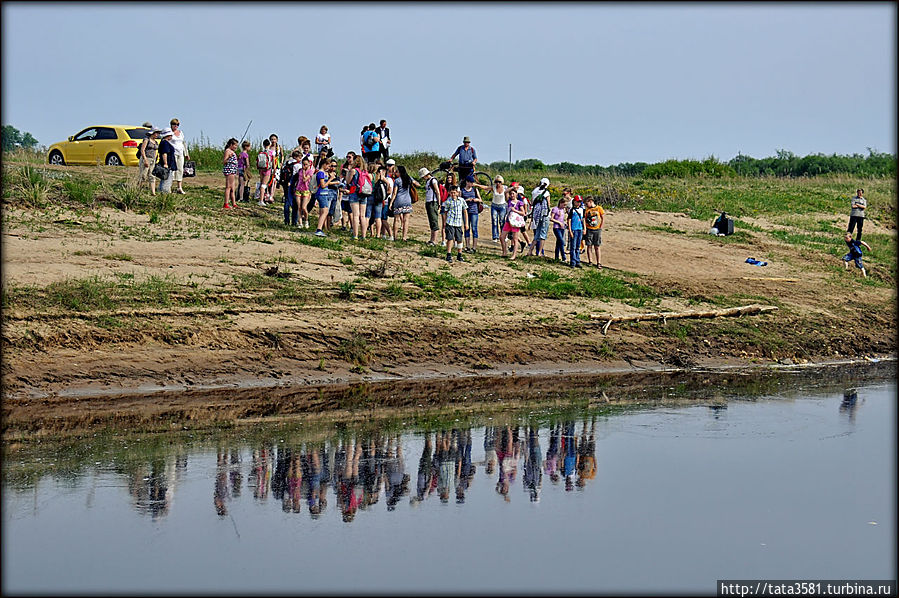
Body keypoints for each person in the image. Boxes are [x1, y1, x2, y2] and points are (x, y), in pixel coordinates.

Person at [390, 165, 417, 241]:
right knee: (406, 220)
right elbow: (417, 184)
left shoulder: (397, 181)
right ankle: (404, 237)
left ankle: (395, 237)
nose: (395, 172)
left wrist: (391, 203)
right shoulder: (408, 178)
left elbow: (394, 193)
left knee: (396, 220)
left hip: (398, 201)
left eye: (397, 171)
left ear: (400, 173)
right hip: (407, 201)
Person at [314, 159, 340, 237]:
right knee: (325, 211)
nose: (329, 167)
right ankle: (319, 229)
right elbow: (323, 185)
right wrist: (331, 179)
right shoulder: (321, 173)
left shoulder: (322, 173)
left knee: (323, 212)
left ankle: (319, 228)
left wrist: (333, 181)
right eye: (328, 165)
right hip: (322, 194)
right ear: (324, 164)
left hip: (324, 193)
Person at [443, 184, 468, 263]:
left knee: (459, 239)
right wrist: (445, 222)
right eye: (451, 193)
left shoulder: (461, 201)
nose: (453, 194)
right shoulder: (448, 201)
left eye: (454, 192)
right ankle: (449, 254)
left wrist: (466, 223)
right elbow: (446, 212)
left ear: (457, 193)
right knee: (450, 238)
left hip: (458, 223)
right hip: (450, 222)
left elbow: (465, 211)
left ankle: (459, 254)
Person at [502, 186, 528, 260]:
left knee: (515, 238)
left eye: (513, 194)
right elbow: (505, 192)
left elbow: (523, 213)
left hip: (515, 222)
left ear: (516, 194)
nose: (512, 195)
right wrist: (512, 188)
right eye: (511, 194)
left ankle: (514, 255)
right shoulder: (509, 201)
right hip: (508, 221)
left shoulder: (520, 203)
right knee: (502, 237)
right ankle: (504, 252)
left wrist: (515, 210)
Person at [528, 178, 551, 257]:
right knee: (543, 234)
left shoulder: (534, 191)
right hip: (544, 215)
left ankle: (530, 251)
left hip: (536, 215)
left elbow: (531, 203)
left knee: (537, 234)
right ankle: (540, 252)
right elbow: (548, 205)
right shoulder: (546, 193)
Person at [420, 167, 442, 246]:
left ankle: (435, 240)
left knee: (434, 221)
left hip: (433, 202)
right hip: (429, 202)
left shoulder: (433, 180)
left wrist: (439, 204)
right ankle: (432, 239)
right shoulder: (428, 181)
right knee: (431, 221)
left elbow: (437, 192)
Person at [168, 118, 190, 194]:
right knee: (172, 170)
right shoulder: (169, 132)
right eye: (174, 124)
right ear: (171, 125)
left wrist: (186, 153)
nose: (176, 126)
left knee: (180, 170)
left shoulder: (181, 133)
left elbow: (183, 143)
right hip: (172, 154)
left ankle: (179, 187)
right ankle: (169, 187)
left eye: (177, 124)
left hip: (180, 153)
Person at [461, 176, 482, 252]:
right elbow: (460, 200)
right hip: (465, 211)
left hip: (474, 211)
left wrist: (476, 200)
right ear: (467, 182)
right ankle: (467, 246)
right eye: (471, 182)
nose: (472, 184)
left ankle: (474, 247)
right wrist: (466, 200)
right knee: (467, 228)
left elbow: (480, 199)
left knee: (474, 228)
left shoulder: (475, 190)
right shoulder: (462, 191)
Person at [367, 165, 389, 239]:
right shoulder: (380, 176)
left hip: (370, 196)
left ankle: (367, 233)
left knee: (368, 216)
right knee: (378, 217)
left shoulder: (369, 175)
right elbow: (388, 183)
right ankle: (378, 234)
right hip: (378, 197)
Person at [583, 196, 605, 268]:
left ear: (591, 201)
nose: (586, 205)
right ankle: (590, 261)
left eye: (587, 204)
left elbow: (602, 218)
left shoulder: (599, 208)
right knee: (589, 246)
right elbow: (585, 220)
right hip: (589, 229)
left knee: (597, 246)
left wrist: (601, 227)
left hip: (597, 229)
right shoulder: (587, 210)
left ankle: (599, 262)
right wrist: (585, 229)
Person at [281, 150, 301, 226]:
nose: (300, 159)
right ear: (296, 157)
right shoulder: (297, 165)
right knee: (294, 203)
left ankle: (286, 220)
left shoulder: (286, 163)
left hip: (285, 183)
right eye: (299, 157)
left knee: (287, 201)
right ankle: (294, 221)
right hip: (294, 184)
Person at [138, 127, 160, 195]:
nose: (157, 134)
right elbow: (142, 150)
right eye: (156, 133)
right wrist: (145, 160)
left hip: (153, 160)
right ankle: (138, 190)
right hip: (146, 158)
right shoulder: (146, 140)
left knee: (152, 176)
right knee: (143, 175)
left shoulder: (156, 142)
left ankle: (153, 192)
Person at [295, 156, 314, 229]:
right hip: (299, 189)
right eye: (303, 164)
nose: (304, 166)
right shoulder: (300, 170)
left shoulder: (310, 171)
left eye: (306, 164)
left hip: (306, 190)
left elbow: (305, 179)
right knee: (299, 207)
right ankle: (299, 223)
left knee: (304, 207)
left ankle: (306, 220)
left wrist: (303, 172)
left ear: (309, 164)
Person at [156, 128, 176, 194]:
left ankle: (162, 190)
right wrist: (165, 163)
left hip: (169, 163)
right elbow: (164, 153)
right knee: (167, 179)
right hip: (168, 163)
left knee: (165, 178)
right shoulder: (165, 143)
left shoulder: (164, 142)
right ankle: (165, 192)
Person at [568, 195, 585, 268]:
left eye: (580, 202)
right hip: (574, 229)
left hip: (580, 229)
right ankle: (573, 261)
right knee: (573, 246)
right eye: (577, 202)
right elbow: (569, 220)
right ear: (574, 202)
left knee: (578, 246)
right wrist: (570, 230)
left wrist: (584, 229)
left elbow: (583, 219)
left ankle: (577, 260)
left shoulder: (582, 210)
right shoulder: (572, 210)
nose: (578, 203)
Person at [550, 196, 569, 262]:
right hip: (556, 227)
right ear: (561, 203)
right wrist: (558, 222)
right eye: (564, 205)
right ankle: (564, 257)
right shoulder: (555, 209)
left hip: (562, 227)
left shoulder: (563, 210)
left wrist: (564, 223)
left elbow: (562, 218)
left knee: (558, 242)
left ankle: (556, 257)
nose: (564, 206)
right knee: (561, 241)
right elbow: (551, 218)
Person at [222, 138, 239, 209]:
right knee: (228, 187)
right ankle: (226, 203)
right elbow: (224, 161)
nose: (236, 147)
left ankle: (234, 203)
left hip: (233, 171)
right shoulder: (228, 151)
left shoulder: (231, 151)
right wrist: (229, 158)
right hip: (230, 171)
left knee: (232, 188)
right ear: (231, 145)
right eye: (235, 145)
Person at [489, 175, 507, 243]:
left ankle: (503, 236)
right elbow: (486, 187)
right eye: (496, 182)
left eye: (499, 182)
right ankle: (495, 236)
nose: (498, 183)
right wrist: (477, 185)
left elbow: (510, 190)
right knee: (494, 221)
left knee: (502, 221)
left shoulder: (505, 188)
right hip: (494, 206)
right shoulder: (493, 187)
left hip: (502, 206)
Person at [256, 138, 274, 205]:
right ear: (269, 144)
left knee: (261, 184)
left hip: (261, 169)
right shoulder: (271, 152)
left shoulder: (261, 152)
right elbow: (273, 163)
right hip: (267, 170)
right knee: (264, 185)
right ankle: (261, 200)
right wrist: (274, 170)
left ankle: (263, 198)